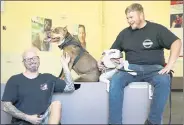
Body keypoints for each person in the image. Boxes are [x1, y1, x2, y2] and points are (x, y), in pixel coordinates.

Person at [97, 3, 182, 125]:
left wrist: (170, 65)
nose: (129, 21)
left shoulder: (157, 29)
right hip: (130, 69)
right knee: (115, 81)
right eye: (127, 18)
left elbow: (176, 42)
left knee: (164, 80)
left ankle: (153, 121)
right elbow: (111, 52)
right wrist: (102, 60)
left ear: (141, 15)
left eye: (131, 17)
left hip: (154, 69)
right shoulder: (124, 34)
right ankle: (115, 122)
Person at [1, 47, 75, 124]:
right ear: (24, 62)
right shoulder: (14, 80)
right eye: (28, 59)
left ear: (38, 60)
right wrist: (28, 118)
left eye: (34, 58)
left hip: (43, 120)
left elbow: (70, 88)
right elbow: (6, 106)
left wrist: (65, 66)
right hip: (22, 122)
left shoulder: (48, 78)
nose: (32, 61)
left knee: (56, 104)